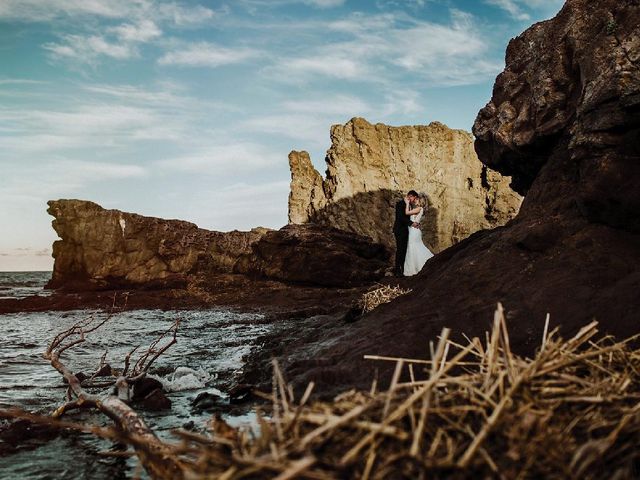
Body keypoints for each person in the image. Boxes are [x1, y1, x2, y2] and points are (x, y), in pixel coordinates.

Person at [403, 193, 433, 276]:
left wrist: (407, 203)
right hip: (414, 230)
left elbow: (407, 213)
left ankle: (421, 265)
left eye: (417, 199)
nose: (416, 201)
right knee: (414, 247)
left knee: (414, 247)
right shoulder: (418, 209)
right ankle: (415, 268)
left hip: (414, 231)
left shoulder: (419, 208)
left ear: (421, 201)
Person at [393, 190, 419, 276]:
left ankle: (403, 269)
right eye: (413, 198)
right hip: (400, 230)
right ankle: (397, 270)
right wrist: (412, 223)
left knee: (404, 250)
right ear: (410, 196)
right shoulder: (400, 204)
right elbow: (401, 217)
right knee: (400, 249)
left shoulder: (409, 205)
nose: (414, 200)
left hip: (406, 231)